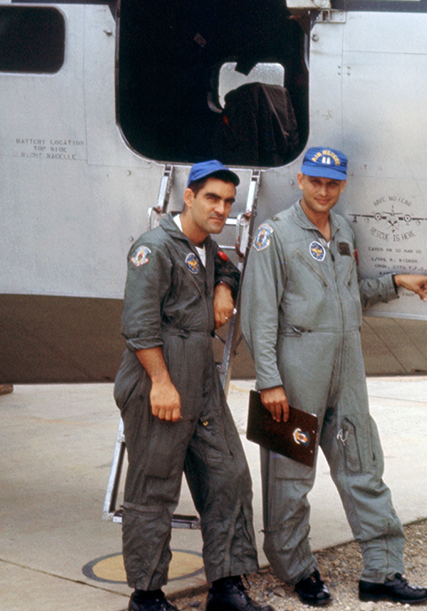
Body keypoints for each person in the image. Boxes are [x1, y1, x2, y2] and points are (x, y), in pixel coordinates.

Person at [241, 147, 427, 607]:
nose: (324, 190)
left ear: (343, 185)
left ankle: (382, 570)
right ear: (300, 180)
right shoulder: (275, 236)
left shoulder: (345, 231)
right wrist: (269, 380)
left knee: (363, 466)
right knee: (290, 478)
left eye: (332, 183)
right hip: (295, 374)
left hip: (346, 369)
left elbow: (350, 295)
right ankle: (296, 569)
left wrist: (396, 283)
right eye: (316, 181)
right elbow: (259, 314)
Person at [114, 160, 273, 611]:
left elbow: (225, 266)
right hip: (158, 379)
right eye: (212, 199)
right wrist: (161, 383)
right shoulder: (154, 248)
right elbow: (138, 325)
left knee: (229, 477)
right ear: (189, 197)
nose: (222, 208)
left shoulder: (204, 247)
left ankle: (226, 587)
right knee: (154, 488)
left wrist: (224, 285)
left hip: (199, 379)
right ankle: (146, 596)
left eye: (227, 201)